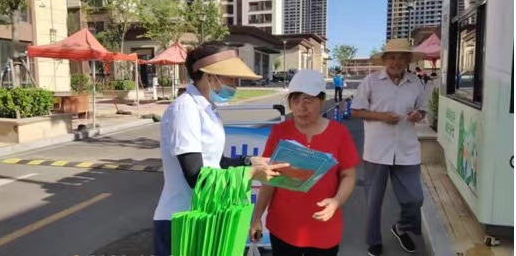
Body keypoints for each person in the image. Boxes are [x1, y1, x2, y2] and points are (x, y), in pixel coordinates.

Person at [153, 41, 289, 256]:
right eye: (230, 78)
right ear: (209, 76)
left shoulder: (208, 109)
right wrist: (250, 173)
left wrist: (250, 161)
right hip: (180, 219)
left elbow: (217, 162)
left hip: (205, 215)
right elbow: (195, 176)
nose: (234, 85)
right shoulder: (185, 108)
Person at [250, 69, 360, 256]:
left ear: (321, 100)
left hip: (324, 228)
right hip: (283, 227)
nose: (301, 107)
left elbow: (349, 175)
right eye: (295, 100)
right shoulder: (280, 132)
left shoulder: (339, 133)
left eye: (308, 100)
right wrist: (257, 216)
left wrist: (336, 202)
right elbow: (269, 178)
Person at [350, 39, 428, 256]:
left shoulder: (415, 82)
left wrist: (417, 115)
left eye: (401, 58)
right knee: (373, 202)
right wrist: (381, 116)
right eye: (391, 57)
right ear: (384, 60)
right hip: (377, 151)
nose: (396, 62)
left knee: (414, 197)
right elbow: (356, 111)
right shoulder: (371, 81)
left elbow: (423, 110)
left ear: (408, 61)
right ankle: (373, 241)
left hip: (406, 149)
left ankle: (401, 227)